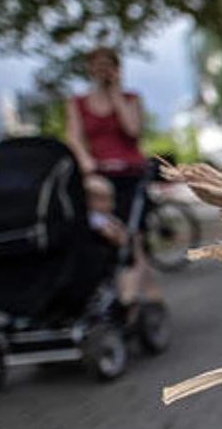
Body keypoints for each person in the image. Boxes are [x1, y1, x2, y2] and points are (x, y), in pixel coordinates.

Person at [65, 45, 162, 315]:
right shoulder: (78, 103)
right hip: (98, 179)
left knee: (133, 234)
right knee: (106, 233)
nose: (103, 70)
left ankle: (132, 295)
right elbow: (74, 136)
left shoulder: (131, 97)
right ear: (90, 69)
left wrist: (116, 94)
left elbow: (133, 130)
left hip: (129, 174)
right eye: (98, 65)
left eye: (108, 65)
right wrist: (84, 160)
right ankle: (131, 291)